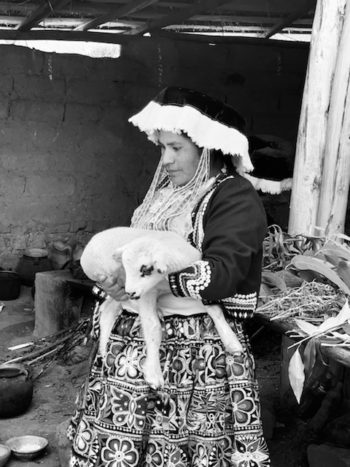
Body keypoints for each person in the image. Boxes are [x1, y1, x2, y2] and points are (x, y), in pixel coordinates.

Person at [67, 86, 270, 466]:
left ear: (208, 146)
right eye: (162, 148)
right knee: (120, 450)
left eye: (176, 148)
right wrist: (113, 284)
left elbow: (222, 275)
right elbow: (131, 257)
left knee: (182, 449)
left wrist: (152, 281)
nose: (166, 160)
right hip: (133, 349)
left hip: (195, 358)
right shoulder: (163, 194)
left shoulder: (233, 197)